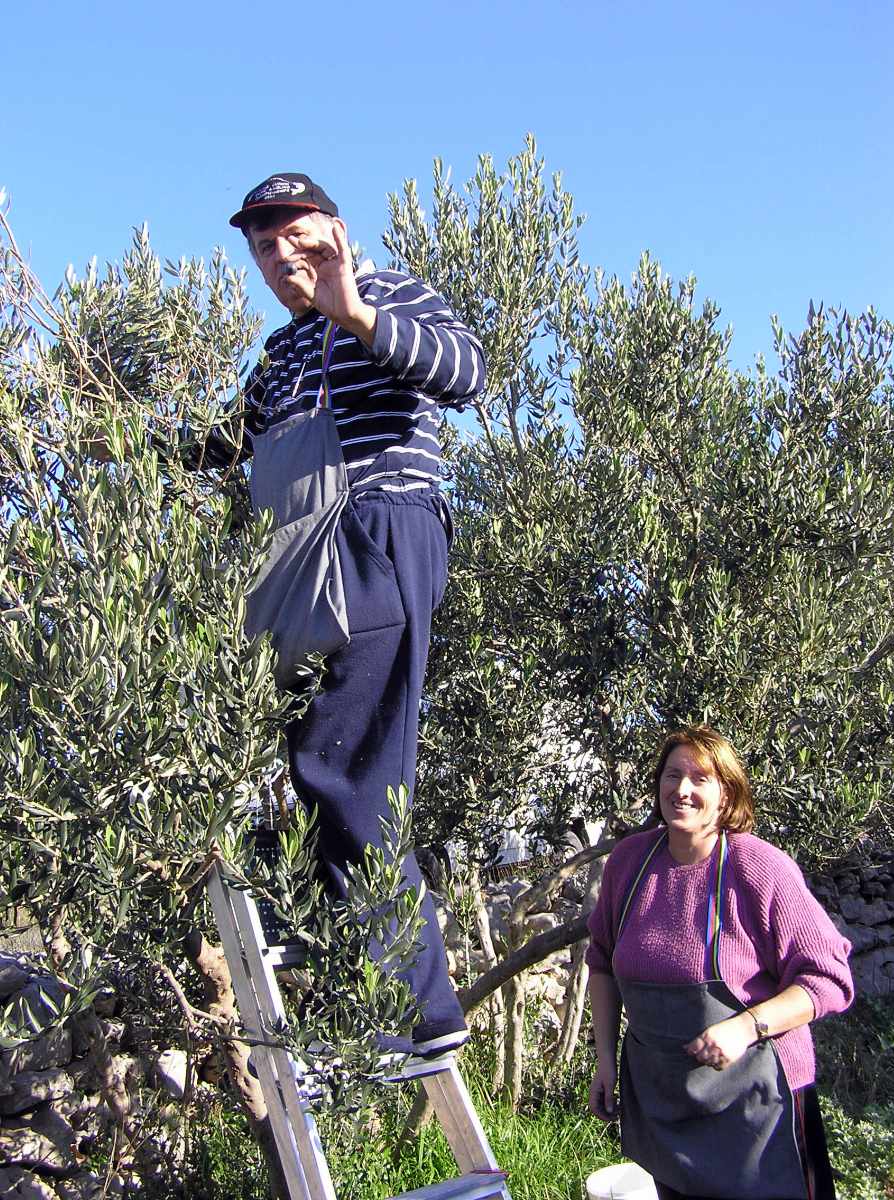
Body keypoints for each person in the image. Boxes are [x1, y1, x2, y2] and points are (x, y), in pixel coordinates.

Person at [214, 172, 486, 1057]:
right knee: (315, 761)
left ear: (334, 229)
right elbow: (228, 445)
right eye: (263, 245)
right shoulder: (278, 354)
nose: (279, 254)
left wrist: (357, 311)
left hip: (380, 529)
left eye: (294, 233)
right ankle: (372, 989)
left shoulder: (390, 290)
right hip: (304, 559)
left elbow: (465, 373)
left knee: (357, 769)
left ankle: (416, 1014)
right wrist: (122, 441)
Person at [586, 726, 853, 1200]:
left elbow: (827, 978)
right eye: (672, 775)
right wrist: (605, 1058)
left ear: (727, 795)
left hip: (757, 1112)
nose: (681, 789)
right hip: (664, 1107)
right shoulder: (629, 863)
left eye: (699, 778)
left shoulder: (759, 869)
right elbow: (602, 962)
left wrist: (745, 1026)